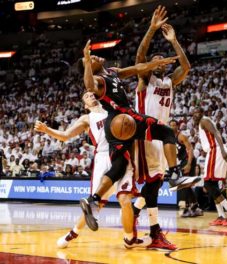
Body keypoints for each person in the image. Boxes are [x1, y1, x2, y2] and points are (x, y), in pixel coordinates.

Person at [79, 35, 200, 231]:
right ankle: (174, 175)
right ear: (89, 68)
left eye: (94, 57)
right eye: (92, 59)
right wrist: (86, 59)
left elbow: (137, 68)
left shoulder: (113, 72)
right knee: (167, 132)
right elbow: (89, 85)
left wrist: (158, 62)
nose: (96, 57)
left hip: (121, 124)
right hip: (124, 120)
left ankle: (93, 199)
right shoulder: (99, 80)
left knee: (119, 165)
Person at [34, 91, 150, 248]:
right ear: (85, 105)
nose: (91, 96)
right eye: (87, 96)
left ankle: (129, 239)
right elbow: (66, 135)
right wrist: (47, 130)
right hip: (103, 158)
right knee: (95, 205)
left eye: (92, 94)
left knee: (125, 200)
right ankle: (72, 233)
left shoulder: (113, 110)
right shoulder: (86, 119)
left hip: (122, 155)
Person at [132, 6, 198, 251]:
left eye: (161, 60)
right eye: (155, 60)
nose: (158, 62)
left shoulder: (170, 81)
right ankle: (155, 232)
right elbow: (140, 58)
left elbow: (187, 67)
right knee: (155, 182)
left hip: (162, 138)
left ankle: (135, 210)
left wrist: (174, 41)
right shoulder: (144, 78)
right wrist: (152, 29)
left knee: (154, 184)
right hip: (146, 134)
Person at [193, 109, 227, 226]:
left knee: (208, 184)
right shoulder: (201, 124)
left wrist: (223, 150)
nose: (196, 115)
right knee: (212, 185)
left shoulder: (204, 121)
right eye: (194, 113)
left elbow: (216, 133)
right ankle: (221, 216)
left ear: (202, 113)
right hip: (213, 152)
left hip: (216, 151)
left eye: (198, 112)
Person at [169, 120, 202, 217]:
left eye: (174, 125)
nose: (172, 127)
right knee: (181, 184)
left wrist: (189, 164)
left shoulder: (181, 136)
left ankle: (186, 207)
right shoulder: (170, 138)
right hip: (181, 163)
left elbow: (190, 149)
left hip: (189, 161)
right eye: (170, 125)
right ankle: (194, 205)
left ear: (177, 126)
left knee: (184, 184)